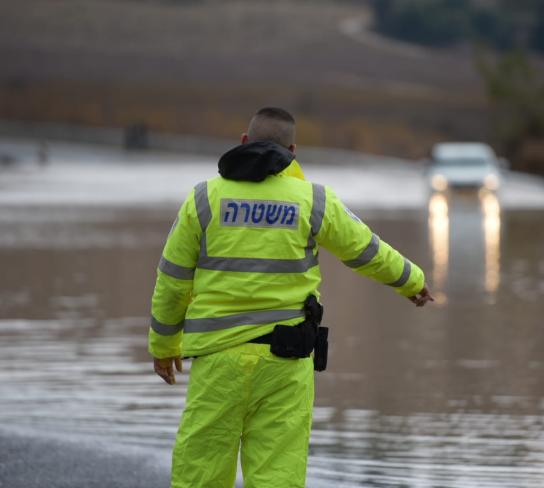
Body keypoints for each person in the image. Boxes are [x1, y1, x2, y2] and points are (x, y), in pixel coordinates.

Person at [149, 107, 433, 488]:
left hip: (218, 361)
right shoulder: (313, 200)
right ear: (293, 150)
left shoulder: (203, 199)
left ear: (245, 141)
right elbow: (366, 251)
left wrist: (164, 346)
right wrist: (412, 281)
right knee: (277, 474)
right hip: (285, 362)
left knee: (200, 471)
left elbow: (172, 279)